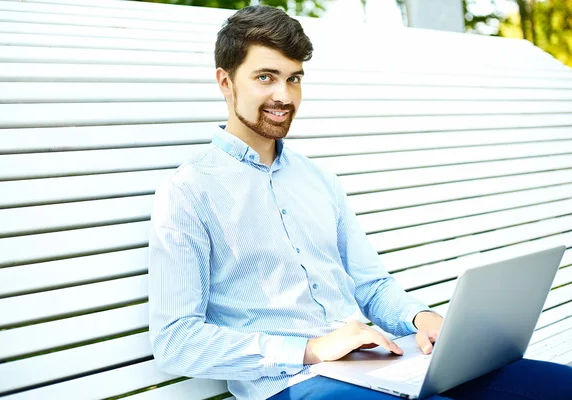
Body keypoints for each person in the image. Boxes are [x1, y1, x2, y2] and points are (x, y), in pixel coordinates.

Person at [148, 5, 572, 400]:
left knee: (557, 385)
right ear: (225, 82)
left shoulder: (318, 180)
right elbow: (175, 340)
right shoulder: (190, 192)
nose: (284, 95)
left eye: (294, 78)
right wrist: (311, 349)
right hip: (293, 384)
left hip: (375, 364)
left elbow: (371, 285)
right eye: (265, 77)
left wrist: (421, 319)